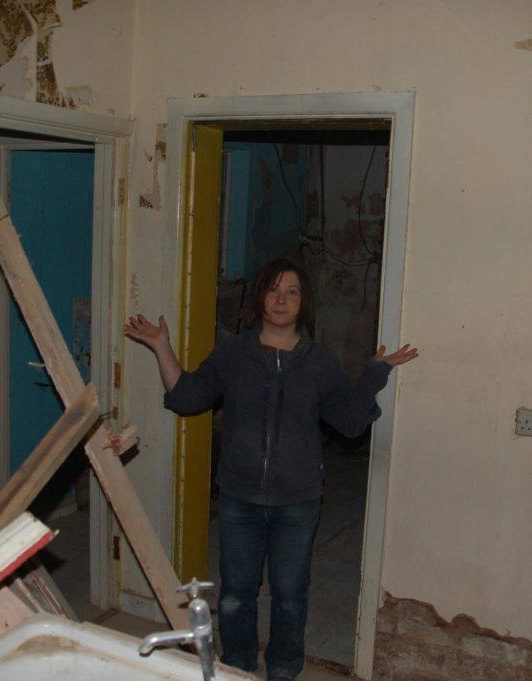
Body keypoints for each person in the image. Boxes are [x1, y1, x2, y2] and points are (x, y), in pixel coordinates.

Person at [124, 257, 417, 681]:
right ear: (260, 296)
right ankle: (238, 667)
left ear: (304, 303)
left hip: (297, 500)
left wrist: (374, 374)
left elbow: (350, 422)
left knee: (290, 596)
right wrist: (161, 347)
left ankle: (282, 669)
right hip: (240, 496)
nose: (281, 299)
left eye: (292, 291)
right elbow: (189, 397)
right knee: (236, 597)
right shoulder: (234, 353)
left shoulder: (319, 361)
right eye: (273, 290)